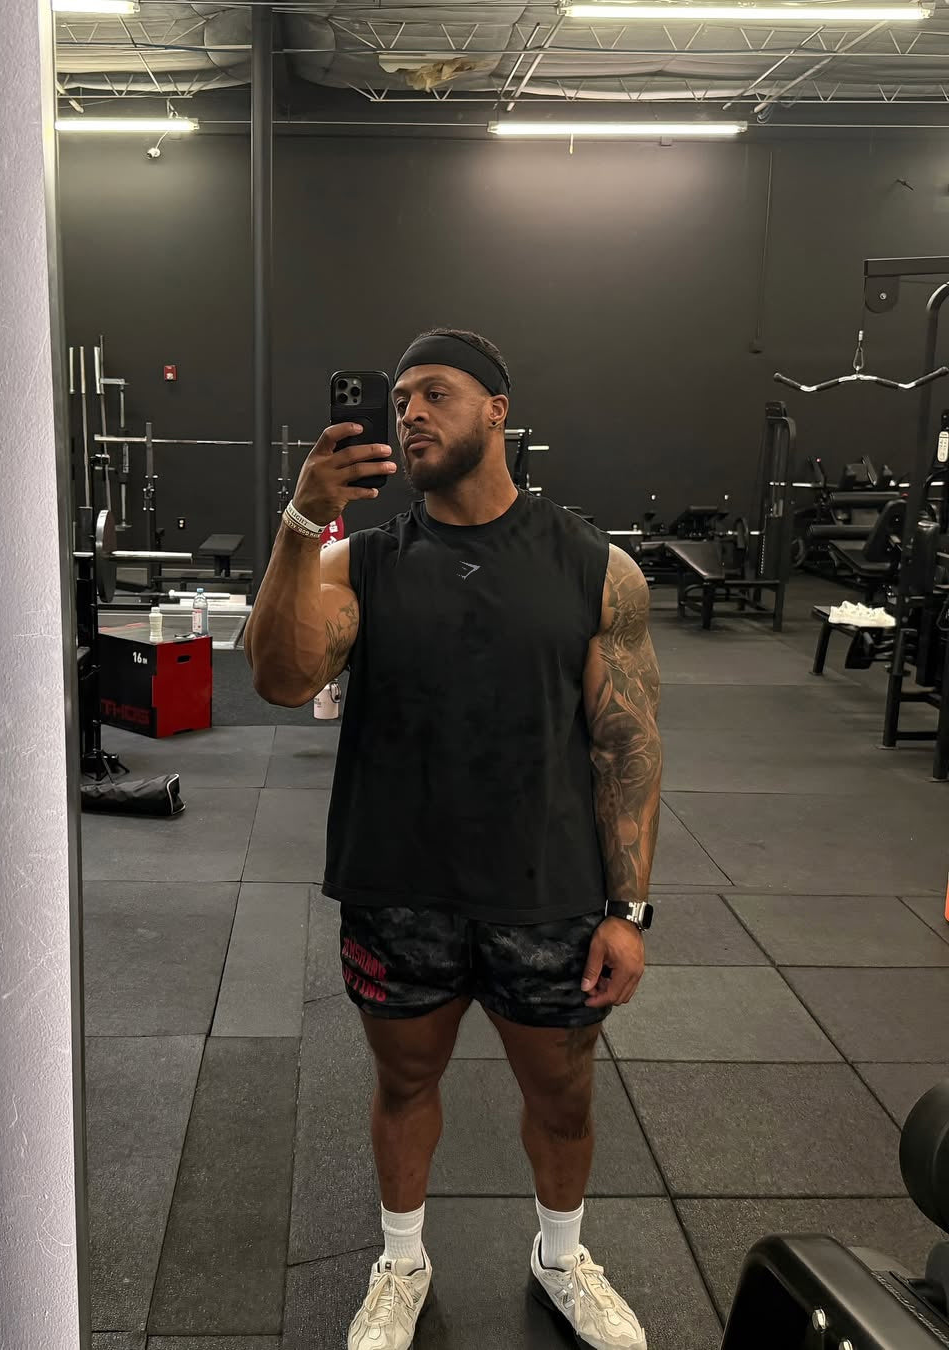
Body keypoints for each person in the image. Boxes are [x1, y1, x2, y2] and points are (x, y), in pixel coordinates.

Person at [245, 329, 663, 1350]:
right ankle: (402, 1262)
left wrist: (629, 910)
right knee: (403, 1085)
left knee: (563, 1096)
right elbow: (281, 679)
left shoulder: (595, 567)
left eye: (436, 393)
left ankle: (560, 1258)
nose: (411, 415)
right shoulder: (359, 561)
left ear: (497, 411)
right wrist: (300, 521)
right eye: (400, 403)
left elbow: (627, 743)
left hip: (548, 892)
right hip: (399, 888)